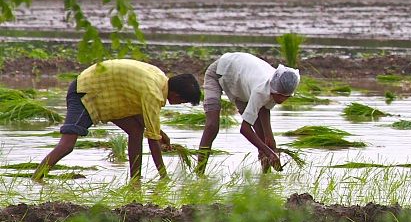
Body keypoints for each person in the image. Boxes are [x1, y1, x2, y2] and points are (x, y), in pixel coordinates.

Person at [33, 59, 201, 181]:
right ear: (176, 95)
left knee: (135, 131)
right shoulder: (153, 93)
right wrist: (164, 177)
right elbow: (152, 141)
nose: (179, 104)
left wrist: (160, 133)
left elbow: (143, 120)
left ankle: (135, 180)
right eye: (182, 101)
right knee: (67, 145)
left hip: (109, 95)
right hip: (86, 92)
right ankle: (37, 177)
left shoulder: (159, 77)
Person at [196, 52, 299, 174]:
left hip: (240, 84)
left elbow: (264, 107)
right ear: (273, 89)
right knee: (212, 125)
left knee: (262, 136)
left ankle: (265, 178)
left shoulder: (278, 84)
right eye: (279, 96)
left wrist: (269, 136)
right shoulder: (262, 88)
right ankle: (199, 174)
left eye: (286, 97)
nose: (281, 100)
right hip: (220, 72)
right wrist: (269, 152)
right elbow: (244, 129)